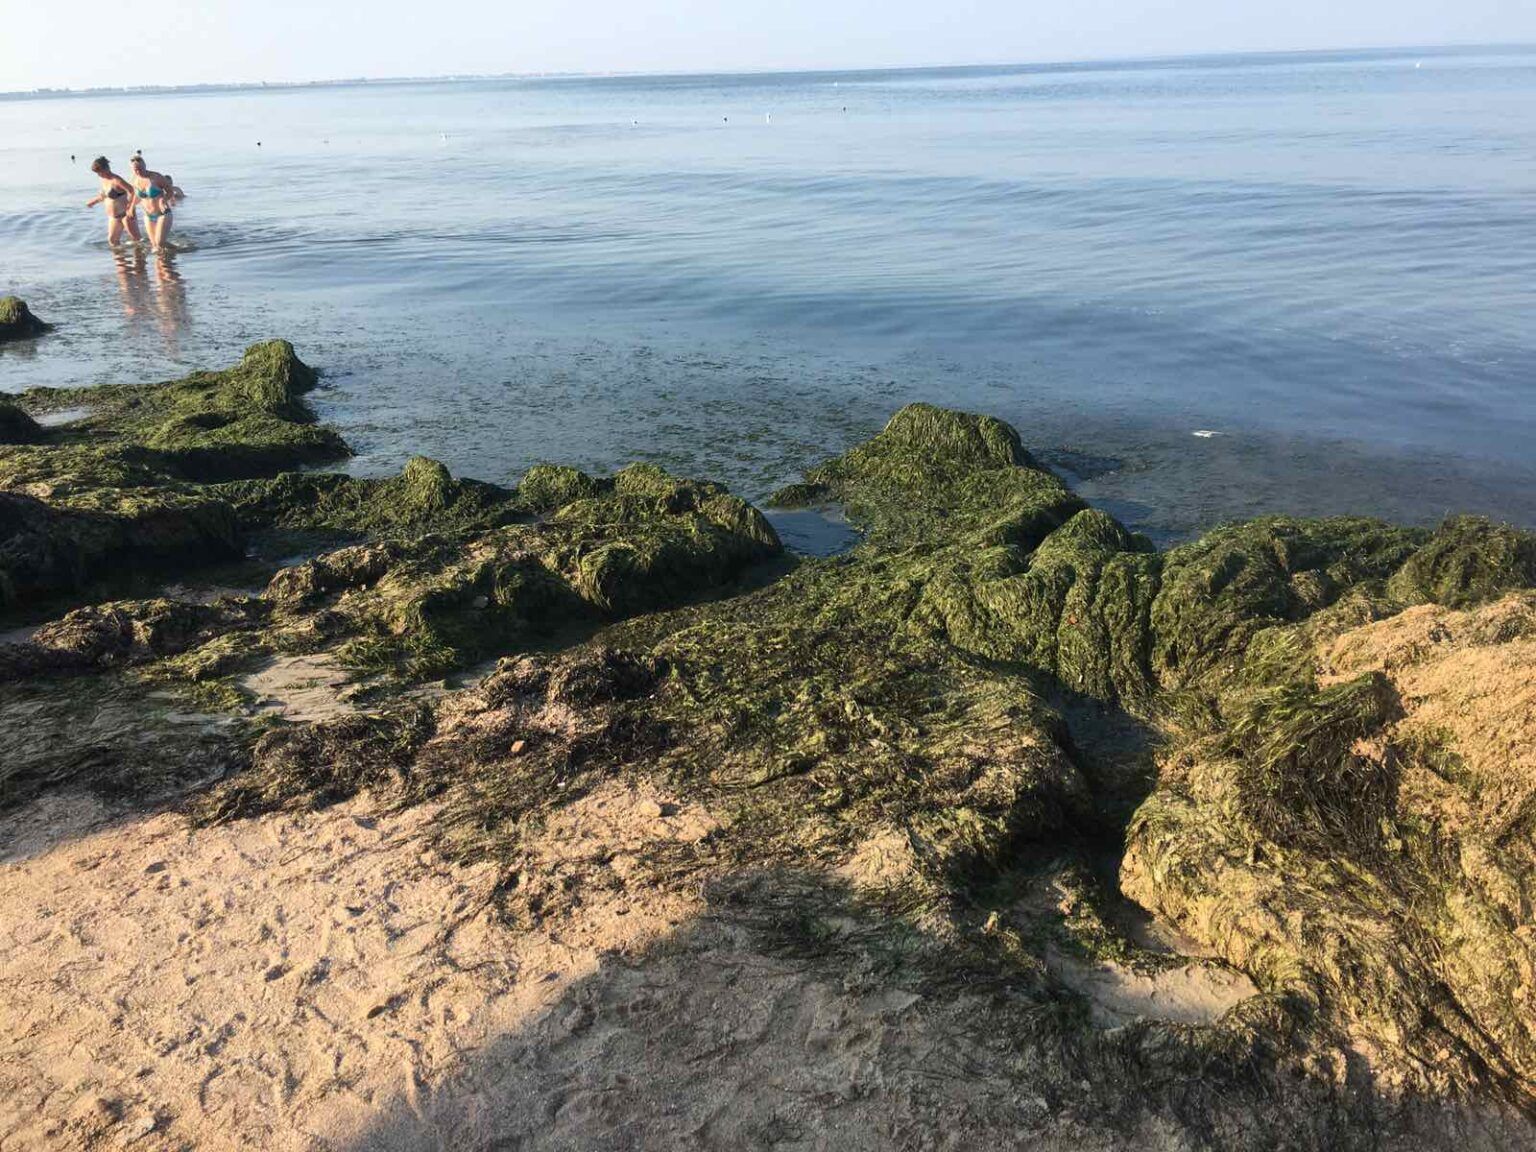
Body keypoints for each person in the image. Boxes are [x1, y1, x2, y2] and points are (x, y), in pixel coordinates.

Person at [84, 156, 141, 245]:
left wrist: (131, 208)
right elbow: (103, 196)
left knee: (136, 240)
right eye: (97, 173)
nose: (99, 175)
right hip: (114, 217)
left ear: (106, 168)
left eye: (100, 172)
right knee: (112, 240)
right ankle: (120, 258)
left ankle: (139, 258)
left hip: (125, 215)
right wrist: (93, 202)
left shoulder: (116, 180)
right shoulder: (103, 180)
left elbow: (132, 191)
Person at [129, 154, 177, 251]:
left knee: (160, 243)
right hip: (148, 216)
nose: (138, 171)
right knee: (155, 246)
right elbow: (136, 195)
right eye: (135, 170)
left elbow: (170, 191)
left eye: (140, 169)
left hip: (163, 214)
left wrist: (163, 200)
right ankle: (160, 264)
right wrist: (131, 207)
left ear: (145, 166)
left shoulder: (156, 177)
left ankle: (178, 250)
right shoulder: (134, 179)